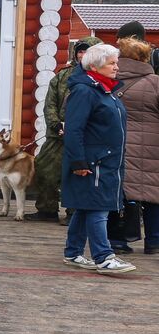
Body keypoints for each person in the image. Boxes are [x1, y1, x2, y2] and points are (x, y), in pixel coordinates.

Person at [60, 43, 134, 274]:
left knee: (85, 206)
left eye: (116, 62)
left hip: (107, 159)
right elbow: (73, 129)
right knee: (98, 208)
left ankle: (73, 252)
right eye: (111, 63)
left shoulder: (104, 89)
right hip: (94, 161)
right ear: (94, 66)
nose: (116, 67)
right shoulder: (85, 91)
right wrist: (78, 161)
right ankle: (104, 256)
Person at [27, 37, 101, 221]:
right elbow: (50, 104)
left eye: (87, 52)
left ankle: (74, 214)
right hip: (57, 136)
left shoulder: (102, 78)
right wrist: (56, 124)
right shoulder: (62, 76)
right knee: (44, 169)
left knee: (78, 175)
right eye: (80, 51)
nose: (82, 55)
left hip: (85, 138)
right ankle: (46, 210)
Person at [115, 37, 159, 254]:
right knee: (153, 193)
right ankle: (154, 241)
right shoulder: (155, 83)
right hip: (152, 147)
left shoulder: (108, 79)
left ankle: (119, 240)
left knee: (121, 192)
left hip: (117, 143)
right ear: (144, 57)